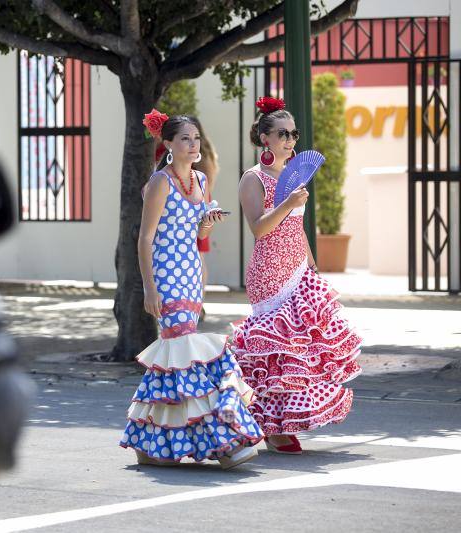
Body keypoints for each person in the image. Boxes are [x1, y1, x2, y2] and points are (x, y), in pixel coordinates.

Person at [119, 110, 263, 469]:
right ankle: (221, 440)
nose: (193, 144)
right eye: (185, 138)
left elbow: (198, 235)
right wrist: (150, 288)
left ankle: (155, 442)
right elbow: (145, 239)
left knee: (179, 356)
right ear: (168, 144)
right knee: (185, 351)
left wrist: (207, 225)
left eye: (196, 138)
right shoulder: (160, 183)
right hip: (166, 274)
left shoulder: (199, 180)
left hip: (192, 273)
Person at [230, 97, 362, 454]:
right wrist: (287, 203)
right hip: (269, 272)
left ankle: (287, 420)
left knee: (306, 347)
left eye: (294, 134)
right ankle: (270, 426)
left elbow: (296, 226)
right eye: (283, 134)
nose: (290, 140)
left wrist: (311, 259)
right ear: (264, 138)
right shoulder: (252, 178)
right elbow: (259, 229)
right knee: (278, 351)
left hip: (298, 267)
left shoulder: (295, 177)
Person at [194, 121, 219, 321]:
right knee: (200, 257)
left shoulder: (197, 156)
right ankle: (199, 303)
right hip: (204, 206)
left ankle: (197, 303)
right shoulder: (207, 153)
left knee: (198, 258)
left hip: (194, 208)